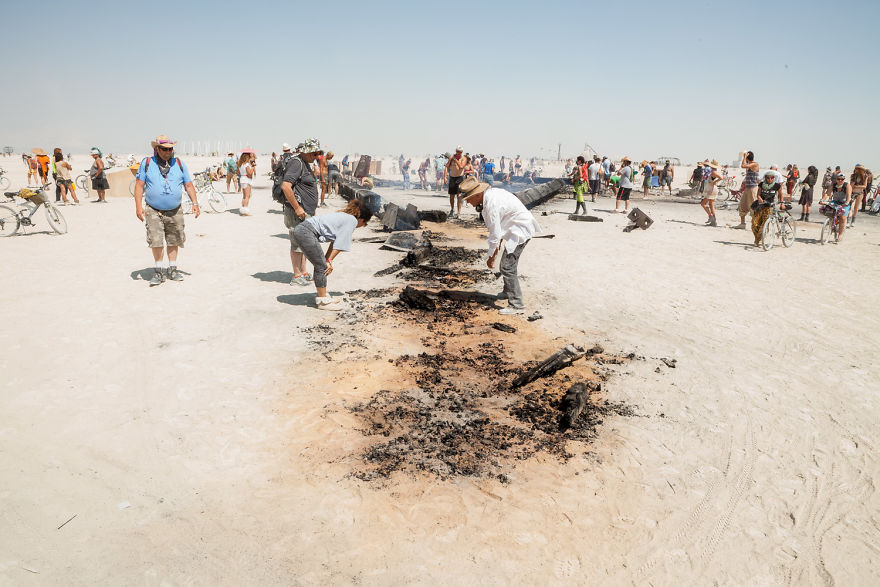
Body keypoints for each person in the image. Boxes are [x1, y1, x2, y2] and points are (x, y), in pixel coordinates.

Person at [458, 176, 541, 315]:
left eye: (469, 199)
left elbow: (495, 234)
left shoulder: (491, 204)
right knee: (507, 264)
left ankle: (517, 305)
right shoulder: (489, 196)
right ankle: (508, 291)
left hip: (520, 230)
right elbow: (499, 227)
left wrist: (491, 256)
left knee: (507, 267)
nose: (469, 203)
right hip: (516, 227)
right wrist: (495, 250)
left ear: (478, 195)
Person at [133, 134, 199, 286]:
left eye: (170, 149)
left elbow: (188, 185)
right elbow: (139, 185)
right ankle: (158, 272)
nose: (168, 152)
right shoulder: (147, 163)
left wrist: (195, 203)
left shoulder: (179, 164)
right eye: (164, 149)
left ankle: (172, 269)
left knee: (174, 239)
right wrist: (138, 206)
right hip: (153, 209)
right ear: (157, 149)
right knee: (156, 240)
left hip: (175, 210)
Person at [291, 199, 373, 311]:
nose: (363, 226)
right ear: (362, 219)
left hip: (303, 230)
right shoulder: (352, 221)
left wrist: (328, 260)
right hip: (306, 232)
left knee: (322, 263)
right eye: (365, 224)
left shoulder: (345, 217)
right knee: (321, 266)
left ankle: (322, 295)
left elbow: (335, 242)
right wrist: (327, 262)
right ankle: (323, 302)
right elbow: (340, 245)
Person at [281, 138, 323, 286]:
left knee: (304, 243)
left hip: (306, 211)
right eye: (314, 153)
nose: (316, 156)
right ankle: (297, 275)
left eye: (318, 153)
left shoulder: (305, 163)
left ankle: (303, 272)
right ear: (305, 151)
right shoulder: (296, 163)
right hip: (298, 212)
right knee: (296, 242)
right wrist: (298, 208)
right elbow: (286, 186)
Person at [751, 171, 782, 246]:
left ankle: (758, 240)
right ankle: (757, 238)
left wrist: (781, 203)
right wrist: (759, 198)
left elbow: (780, 195)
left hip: (769, 206)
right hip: (760, 205)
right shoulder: (761, 184)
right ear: (765, 178)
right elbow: (758, 195)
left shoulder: (777, 186)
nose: (769, 179)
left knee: (764, 224)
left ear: (774, 178)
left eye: (771, 178)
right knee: (754, 223)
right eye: (768, 178)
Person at [737, 150, 760, 229]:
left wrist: (744, 157)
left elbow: (743, 165)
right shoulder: (750, 165)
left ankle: (755, 224)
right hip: (747, 188)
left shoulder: (754, 164)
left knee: (753, 207)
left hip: (753, 188)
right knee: (742, 206)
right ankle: (742, 223)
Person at [827, 173, 851, 241]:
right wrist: (822, 199)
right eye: (838, 179)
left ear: (844, 179)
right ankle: (830, 224)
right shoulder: (833, 185)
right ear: (836, 179)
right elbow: (828, 193)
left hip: (844, 203)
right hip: (835, 202)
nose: (840, 180)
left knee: (842, 218)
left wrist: (846, 202)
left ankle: (840, 234)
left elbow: (848, 196)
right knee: (828, 211)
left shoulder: (847, 186)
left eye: (842, 179)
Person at [444, 146, 467, 217]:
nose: (458, 154)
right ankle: (452, 210)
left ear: (461, 152)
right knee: (451, 196)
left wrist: (455, 160)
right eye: (457, 152)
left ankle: (459, 212)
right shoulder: (451, 158)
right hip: (452, 178)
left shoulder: (463, 158)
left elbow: (461, 167)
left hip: (459, 178)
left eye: (459, 153)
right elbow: (447, 166)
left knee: (459, 196)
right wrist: (445, 177)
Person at [701, 159, 721, 226]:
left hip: (712, 190)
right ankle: (714, 221)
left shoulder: (714, 172)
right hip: (713, 189)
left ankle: (711, 217)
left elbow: (721, 177)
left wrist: (715, 182)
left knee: (703, 203)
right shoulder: (714, 171)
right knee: (711, 205)